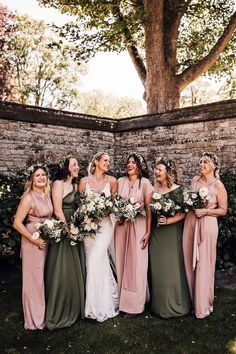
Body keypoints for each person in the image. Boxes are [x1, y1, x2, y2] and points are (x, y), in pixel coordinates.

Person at [182, 152, 227, 319]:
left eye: (205, 162)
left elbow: (223, 210)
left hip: (207, 224)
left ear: (213, 165)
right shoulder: (194, 180)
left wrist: (206, 211)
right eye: (200, 161)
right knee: (189, 261)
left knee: (204, 264)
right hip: (191, 222)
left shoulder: (218, 185)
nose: (201, 164)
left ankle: (203, 305)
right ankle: (192, 301)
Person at [45, 156, 85, 330]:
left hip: (74, 225)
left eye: (77, 165)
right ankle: (60, 307)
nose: (77, 167)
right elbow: (57, 209)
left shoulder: (75, 185)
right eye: (74, 164)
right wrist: (68, 230)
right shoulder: (58, 184)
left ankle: (75, 305)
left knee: (75, 265)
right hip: (63, 227)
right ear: (66, 167)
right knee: (63, 265)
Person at [78, 152, 119, 322]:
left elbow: (115, 205)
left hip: (106, 226)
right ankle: (96, 303)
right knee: (92, 261)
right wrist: (88, 215)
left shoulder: (112, 181)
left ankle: (100, 306)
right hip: (89, 226)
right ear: (96, 162)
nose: (108, 163)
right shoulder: (83, 182)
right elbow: (79, 206)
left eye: (109, 161)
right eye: (105, 160)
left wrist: (102, 211)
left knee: (96, 258)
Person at [149, 157, 191, 318]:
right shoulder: (154, 189)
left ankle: (177, 304)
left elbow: (183, 213)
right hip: (156, 233)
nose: (156, 171)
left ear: (167, 172)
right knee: (158, 268)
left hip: (172, 234)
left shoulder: (177, 190)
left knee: (172, 267)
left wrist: (169, 220)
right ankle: (159, 305)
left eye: (159, 169)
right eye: (155, 169)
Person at [13, 163, 53, 330]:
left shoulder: (46, 194)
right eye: (37, 175)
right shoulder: (28, 197)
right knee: (33, 280)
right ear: (31, 179)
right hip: (33, 241)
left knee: (42, 278)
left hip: (45, 239)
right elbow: (16, 223)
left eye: (43, 174)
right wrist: (33, 240)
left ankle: (43, 314)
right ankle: (34, 321)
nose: (41, 177)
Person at [115, 152, 153, 317]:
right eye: (128, 162)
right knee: (121, 262)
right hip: (122, 227)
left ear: (139, 166)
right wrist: (119, 216)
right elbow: (114, 203)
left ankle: (135, 306)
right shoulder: (120, 182)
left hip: (138, 226)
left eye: (133, 162)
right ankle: (122, 302)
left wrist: (148, 231)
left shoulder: (145, 183)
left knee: (136, 265)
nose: (130, 164)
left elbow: (149, 210)